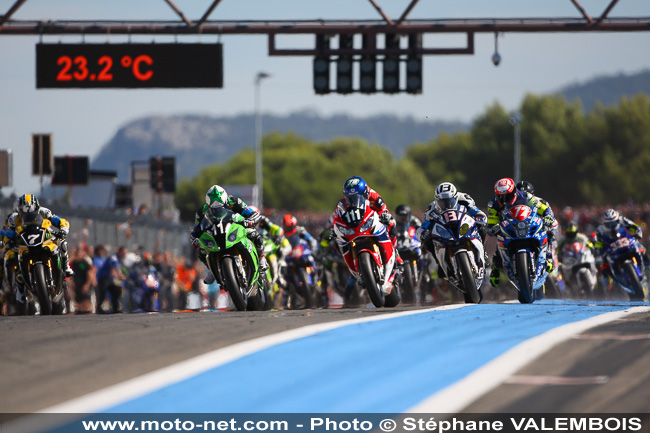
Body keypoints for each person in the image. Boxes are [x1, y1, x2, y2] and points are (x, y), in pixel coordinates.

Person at [189, 185, 268, 284]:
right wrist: (195, 238)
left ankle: (261, 258)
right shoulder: (201, 212)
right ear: (208, 205)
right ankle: (212, 270)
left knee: (253, 233)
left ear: (226, 201)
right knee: (202, 251)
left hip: (235, 228)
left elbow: (250, 212)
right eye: (214, 209)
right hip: (216, 234)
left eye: (220, 208)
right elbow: (196, 230)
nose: (217, 211)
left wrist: (251, 220)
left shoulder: (234, 201)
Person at [487, 178, 558, 287]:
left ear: (514, 191)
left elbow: (543, 207)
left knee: (548, 233)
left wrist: (548, 216)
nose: (503, 199)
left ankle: (548, 257)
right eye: (500, 196)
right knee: (500, 240)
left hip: (527, 224)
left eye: (507, 195)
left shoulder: (526, 196)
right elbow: (492, 220)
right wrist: (493, 227)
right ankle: (495, 269)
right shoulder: (493, 204)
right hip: (509, 227)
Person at [416, 182, 488, 275]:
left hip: (462, 224)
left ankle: (483, 251)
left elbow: (477, 212)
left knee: (481, 228)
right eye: (442, 202)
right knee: (427, 241)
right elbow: (424, 226)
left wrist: (479, 218)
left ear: (455, 197)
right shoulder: (431, 208)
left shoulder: (464, 199)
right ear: (437, 200)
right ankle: (439, 262)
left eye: (450, 201)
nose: (446, 204)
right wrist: (423, 233)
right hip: (445, 229)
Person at [2, 194, 74, 277]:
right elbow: (8, 233)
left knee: (62, 243)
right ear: (20, 210)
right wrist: (7, 243)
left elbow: (60, 221)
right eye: (25, 214)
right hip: (25, 241)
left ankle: (65, 266)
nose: (29, 216)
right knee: (14, 256)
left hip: (45, 237)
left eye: (32, 213)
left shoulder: (44, 212)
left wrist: (63, 229)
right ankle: (20, 281)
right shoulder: (14, 218)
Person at [95, 246, 128, 314]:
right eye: (124, 253)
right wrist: (121, 277)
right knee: (103, 294)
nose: (125, 255)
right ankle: (99, 308)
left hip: (110, 279)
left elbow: (119, 270)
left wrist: (122, 276)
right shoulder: (113, 258)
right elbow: (113, 271)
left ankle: (115, 308)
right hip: (105, 278)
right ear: (120, 252)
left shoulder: (119, 260)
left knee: (115, 293)